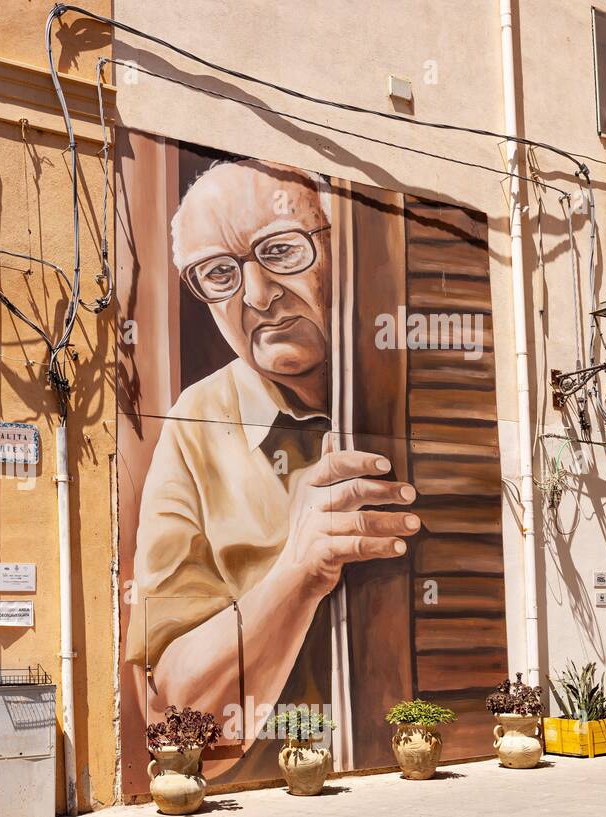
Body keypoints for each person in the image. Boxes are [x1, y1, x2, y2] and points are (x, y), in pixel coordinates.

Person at [126, 157, 421, 761]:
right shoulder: (195, 422)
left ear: (342, 253)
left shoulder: (418, 386)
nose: (258, 296)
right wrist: (297, 575)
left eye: (282, 252)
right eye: (219, 273)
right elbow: (172, 714)